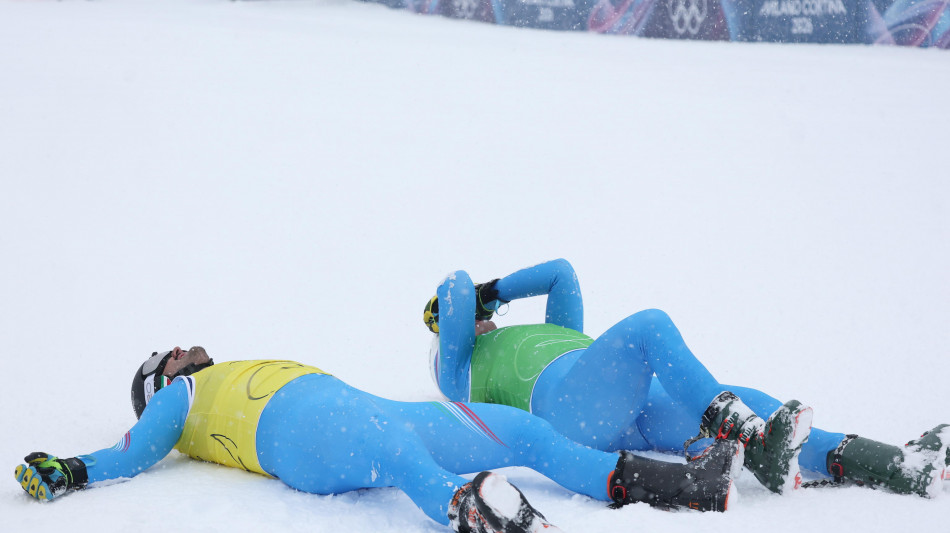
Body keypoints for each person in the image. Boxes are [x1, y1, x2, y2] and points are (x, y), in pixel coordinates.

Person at [15, 346, 743, 533]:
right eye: (162, 359)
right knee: (396, 453)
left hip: (358, 406)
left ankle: (682, 484)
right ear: (157, 385)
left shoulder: (216, 370)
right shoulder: (182, 398)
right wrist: (74, 468)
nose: (176, 351)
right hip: (297, 434)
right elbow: (134, 452)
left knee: (519, 428)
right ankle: (469, 511)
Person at [423, 259, 949, 497]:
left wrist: (501, 292)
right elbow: (456, 284)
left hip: (633, 411)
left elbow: (561, 272)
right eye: (461, 317)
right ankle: (747, 435)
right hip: (571, 415)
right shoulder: (461, 372)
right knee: (649, 326)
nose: (479, 314)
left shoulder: (551, 330)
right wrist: (482, 294)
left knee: (753, 397)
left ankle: (898, 465)